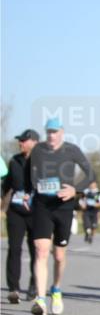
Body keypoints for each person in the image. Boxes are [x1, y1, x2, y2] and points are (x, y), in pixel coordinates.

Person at [24, 118, 96, 315]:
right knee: (41, 251)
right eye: (48, 132)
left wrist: (76, 189)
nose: (51, 136)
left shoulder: (71, 150)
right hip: (42, 206)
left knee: (58, 256)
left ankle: (56, 289)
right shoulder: (38, 150)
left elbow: (90, 174)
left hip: (64, 206)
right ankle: (40, 299)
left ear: (62, 132)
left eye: (55, 132)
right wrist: (29, 192)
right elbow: (29, 173)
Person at [3, 129, 39, 304]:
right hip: (16, 211)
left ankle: (34, 284)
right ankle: (13, 289)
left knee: (36, 251)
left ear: (34, 142)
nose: (21, 143)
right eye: (20, 140)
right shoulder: (15, 161)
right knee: (14, 248)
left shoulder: (43, 162)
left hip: (36, 213)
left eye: (24, 140)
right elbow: (7, 183)